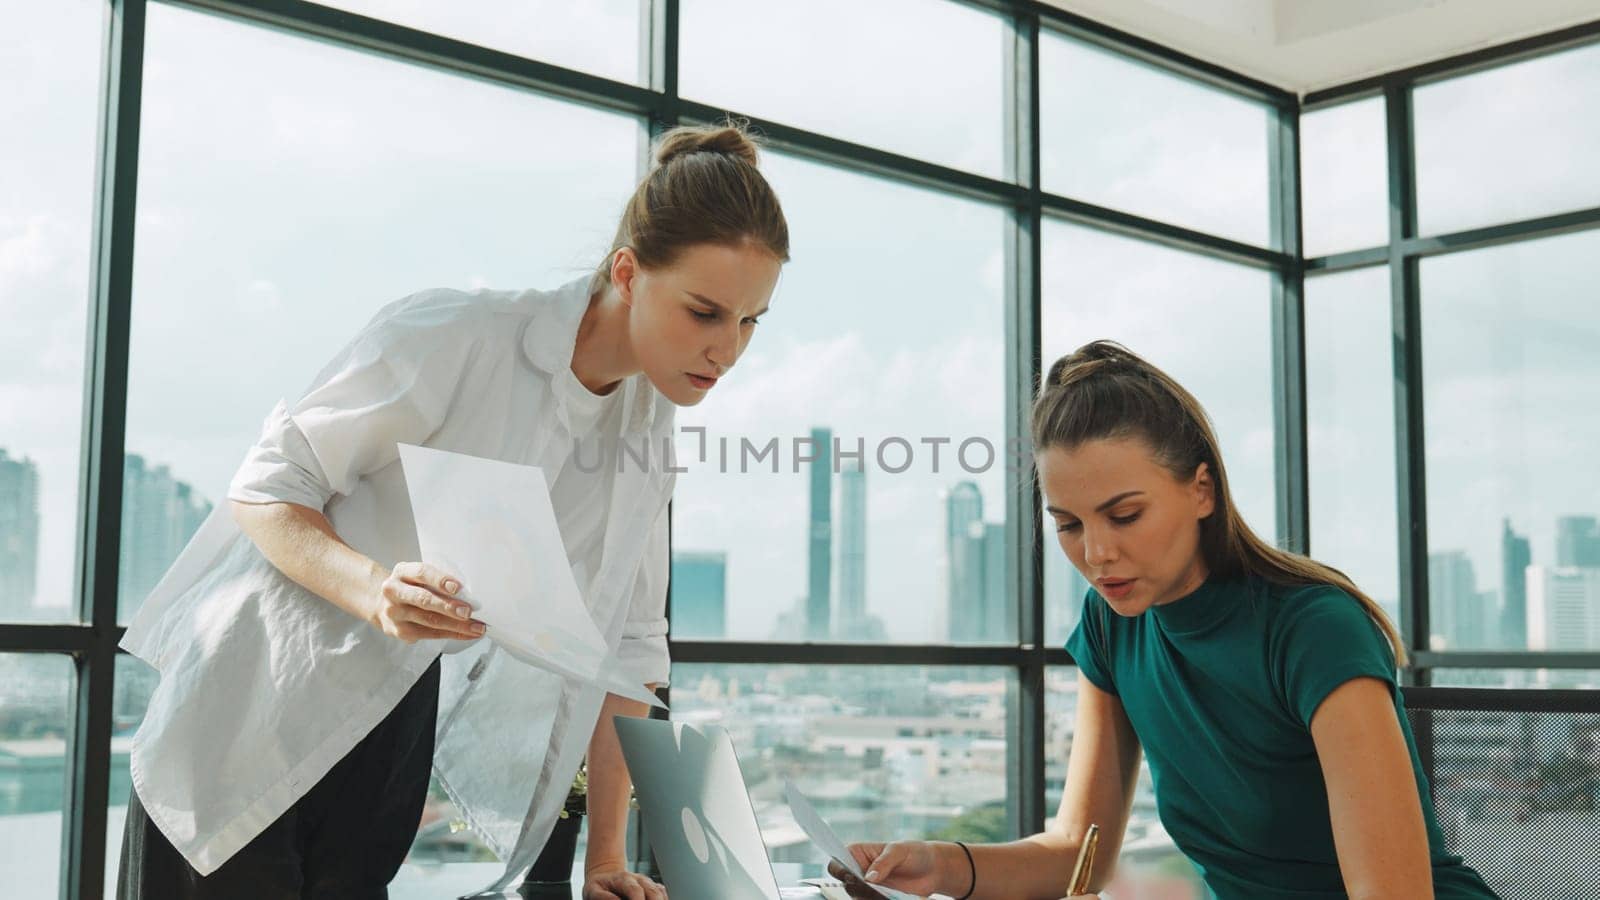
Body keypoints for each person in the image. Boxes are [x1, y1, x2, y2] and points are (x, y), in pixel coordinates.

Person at [117, 122, 788, 900]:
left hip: (391, 730)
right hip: (253, 707)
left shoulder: (647, 432)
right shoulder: (457, 336)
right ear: (630, 272)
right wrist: (377, 591)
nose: (728, 351)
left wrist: (605, 858)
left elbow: (630, 651)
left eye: (749, 322)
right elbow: (266, 491)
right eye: (705, 312)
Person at [831, 341, 1499, 899]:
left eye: (1124, 516)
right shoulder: (1112, 624)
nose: (1096, 553)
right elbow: (1077, 853)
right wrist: (941, 865)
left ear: (1201, 490)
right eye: (1068, 524)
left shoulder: (1314, 628)